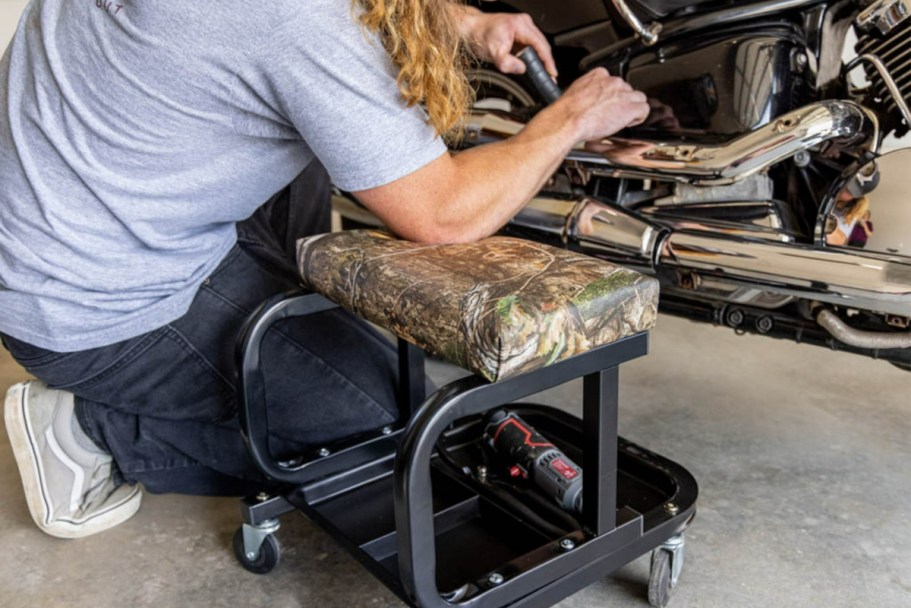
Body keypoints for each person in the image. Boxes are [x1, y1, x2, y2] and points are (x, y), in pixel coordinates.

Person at [0, 0, 650, 539]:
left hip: (77, 227)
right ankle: (98, 433)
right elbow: (442, 213)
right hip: (95, 311)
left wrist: (462, 22)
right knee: (399, 429)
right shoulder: (296, 19)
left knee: (316, 142)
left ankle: (291, 349)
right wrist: (566, 120)